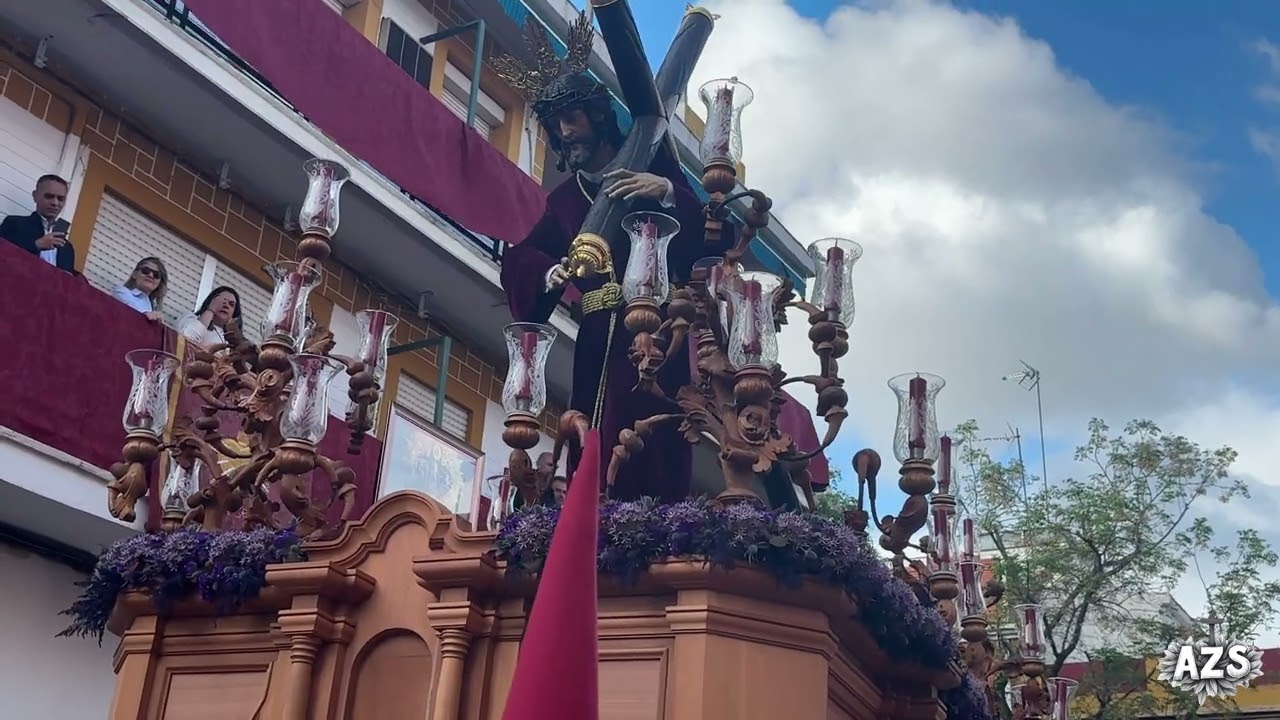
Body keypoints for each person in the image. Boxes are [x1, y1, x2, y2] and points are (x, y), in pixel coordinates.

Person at [498, 31, 732, 502]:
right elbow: (520, 257)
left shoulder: (651, 161)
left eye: (571, 117)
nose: (564, 132)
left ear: (599, 116)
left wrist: (666, 191)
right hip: (595, 333)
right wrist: (549, 273)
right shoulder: (564, 201)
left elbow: (717, 235)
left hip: (655, 336)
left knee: (648, 430)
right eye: (553, 122)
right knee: (588, 429)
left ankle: (651, 521)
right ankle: (593, 518)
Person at [0, 174, 75, 272]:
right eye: (49, 196)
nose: (55, 203)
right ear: (35, 196)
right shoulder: (14, 224)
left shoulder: (67, 249)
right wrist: (35, 245)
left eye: (61, 199)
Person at [111, 256, 168, 321]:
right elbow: (130, 310)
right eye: (146, 270)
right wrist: (146, 315)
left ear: (159, 283)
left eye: (156, 274)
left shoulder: (154, 308)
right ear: (134, 274)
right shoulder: (121, 291)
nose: (151, 275)